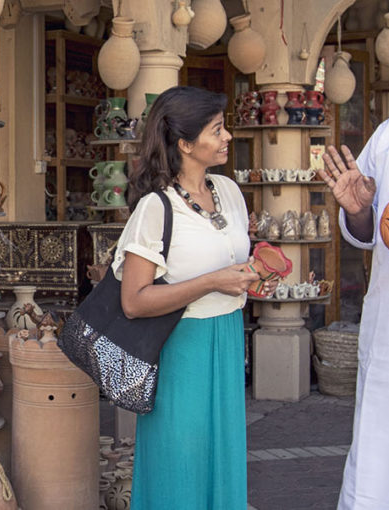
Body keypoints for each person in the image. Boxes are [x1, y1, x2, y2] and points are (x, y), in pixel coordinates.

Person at [111, 86, 263, 509]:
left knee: (223, 457)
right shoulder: (156, 209)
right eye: (217, 129)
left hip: (228, 337)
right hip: (181, 348)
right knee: (179, 462)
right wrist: (212, 281)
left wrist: (253, 276)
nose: (227, 136)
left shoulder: (229, 191)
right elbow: (134, 301)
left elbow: (231, 261)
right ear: (185, 143)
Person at [321, 135, 387, 510]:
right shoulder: (386, 139)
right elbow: (368, 231)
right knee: (377, 466)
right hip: (388, 334)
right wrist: (360, 211)